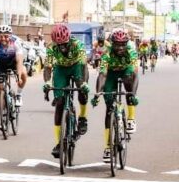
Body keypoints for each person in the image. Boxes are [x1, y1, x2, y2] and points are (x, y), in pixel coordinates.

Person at [91, 28, 140, 162]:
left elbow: (135, 74)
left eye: (122, 44)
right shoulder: (107, 54)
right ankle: (107, 147)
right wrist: (98, 93)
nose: (119, 47)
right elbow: (102, 75)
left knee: (129, 86)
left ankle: (131, 118)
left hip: (126, 71)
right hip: (111, 74)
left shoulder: (131, 52)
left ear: (126, 44)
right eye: (116, 44)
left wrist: (133, 94)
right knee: (109, 110)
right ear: (112, 44)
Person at [42, 23, 89, 159]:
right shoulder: (51, 47)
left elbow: (83, 65)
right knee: (60, 104)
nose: (62, 47)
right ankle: (58, 143)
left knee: (82, 92)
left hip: (76, 67)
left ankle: (82, 118)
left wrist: (84, 83)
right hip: (61, 70)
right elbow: (48, 67)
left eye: (64, 44)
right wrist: (47, 82)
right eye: (59, 45)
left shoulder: (76, 45)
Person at [0, 25, 28, 124]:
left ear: (10, 35)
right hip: (1, 64)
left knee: (24, 73)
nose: (3, 39)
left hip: (14, 62)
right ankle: (2, 116)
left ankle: (19, 94)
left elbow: (19, 60)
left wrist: (18, 75)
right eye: (1, 36)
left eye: (6, 36)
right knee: (1, 90)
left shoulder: (16, 43)